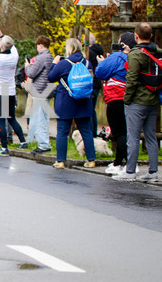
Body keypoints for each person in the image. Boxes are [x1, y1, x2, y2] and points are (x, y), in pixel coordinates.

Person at [114, 23, 160, 181]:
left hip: (137, 101)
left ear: (136, 36)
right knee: (151, 137)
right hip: (153, 100)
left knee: (132, 137)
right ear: (151, 36)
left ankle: (130, 171)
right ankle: (153, 172)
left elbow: (132, 79)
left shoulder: (135, 54)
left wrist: (127, 100)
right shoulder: (158, 51)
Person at [46, 38, 96, 169]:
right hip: (84, 102)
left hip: (65, 102)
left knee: (62, 132)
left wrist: (54, 64)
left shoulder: (63, 64)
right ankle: (91, 160)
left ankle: (61, 161)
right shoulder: (87, 63)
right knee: (86, 131)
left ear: (69, 49)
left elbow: (51, 77)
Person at [95, 32, 135, 175]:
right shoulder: (136, 58)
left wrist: (102, 62)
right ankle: (119, 162)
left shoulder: (117, 57)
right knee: (127, 132)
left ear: (123, 44)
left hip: (115, 98)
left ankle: (127, 164)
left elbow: (100, 72)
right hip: (131, 99)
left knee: (119, 132)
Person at [23, 35, 54, 154]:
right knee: (44, 118)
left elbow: (31, 73)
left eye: (37, 46)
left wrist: (27, 65)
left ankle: (43, 144)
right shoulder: (50, 57)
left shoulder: (41, 58)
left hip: (39, 90)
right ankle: (45, 142)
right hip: (47, 90)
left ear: (40, 45)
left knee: (39, 118)